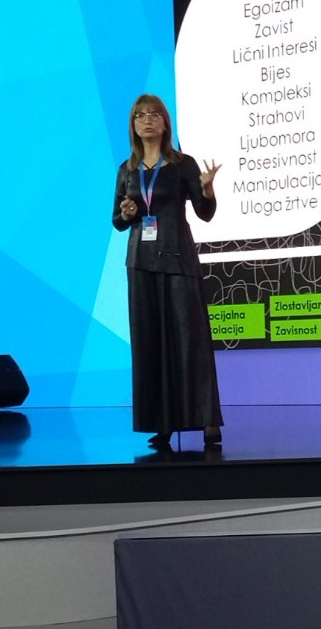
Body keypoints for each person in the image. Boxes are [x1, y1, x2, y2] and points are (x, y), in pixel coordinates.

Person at [112, 94, 223, 448]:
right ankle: (162, 422)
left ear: (164, 123)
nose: (147, 120)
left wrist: (207, 189)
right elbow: (117, 221)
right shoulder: (126, 170)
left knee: (190, 341)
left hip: (177, 259)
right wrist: (126, 214)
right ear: (133, 125)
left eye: (154, 114)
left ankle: (207, 419)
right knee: (151, 344)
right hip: (140, 263)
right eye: (140, 115)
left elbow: (205, 213)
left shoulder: (182, 164)